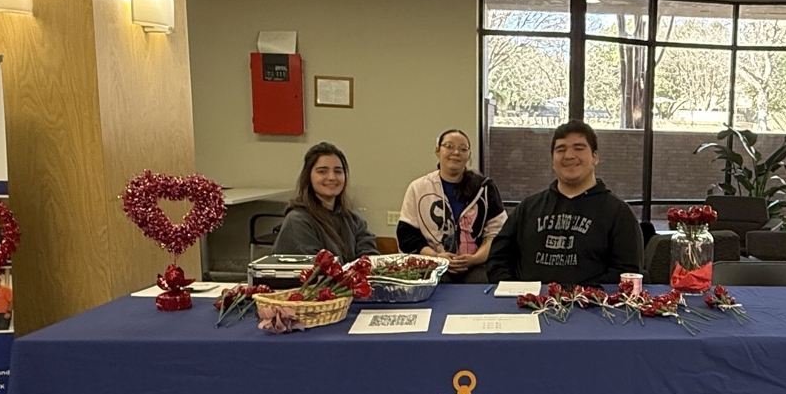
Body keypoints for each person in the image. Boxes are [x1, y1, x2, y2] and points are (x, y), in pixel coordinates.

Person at [488, 121, 644, 286]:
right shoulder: (527, 208)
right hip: (527, 306)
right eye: (560, 149)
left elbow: (627, 273)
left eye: (579, 148)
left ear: (595, 157)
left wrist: (581, 298)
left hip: (592, 308)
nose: (569, 155)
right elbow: (498, 260)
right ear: (552, 160)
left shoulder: (619, 213)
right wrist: (515, 293)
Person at [397, 129, 508, 284]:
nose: (456, 152)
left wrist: (475, 258)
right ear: (437, 151)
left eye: (463, 149)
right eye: (449, 146)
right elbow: (406, 236)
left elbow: (497, 234)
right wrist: (436, 257)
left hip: (477, 266)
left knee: (479, 286)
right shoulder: (418, 188)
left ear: (469, 155)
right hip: (433, 264)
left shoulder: (485, 188)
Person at [273, 142, 380, 262]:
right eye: (322, 171)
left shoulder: (355, 221)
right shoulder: (297, 222)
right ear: (308, 176)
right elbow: (315, 272)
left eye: (338, 171)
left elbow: (369, 259)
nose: (332, 177)